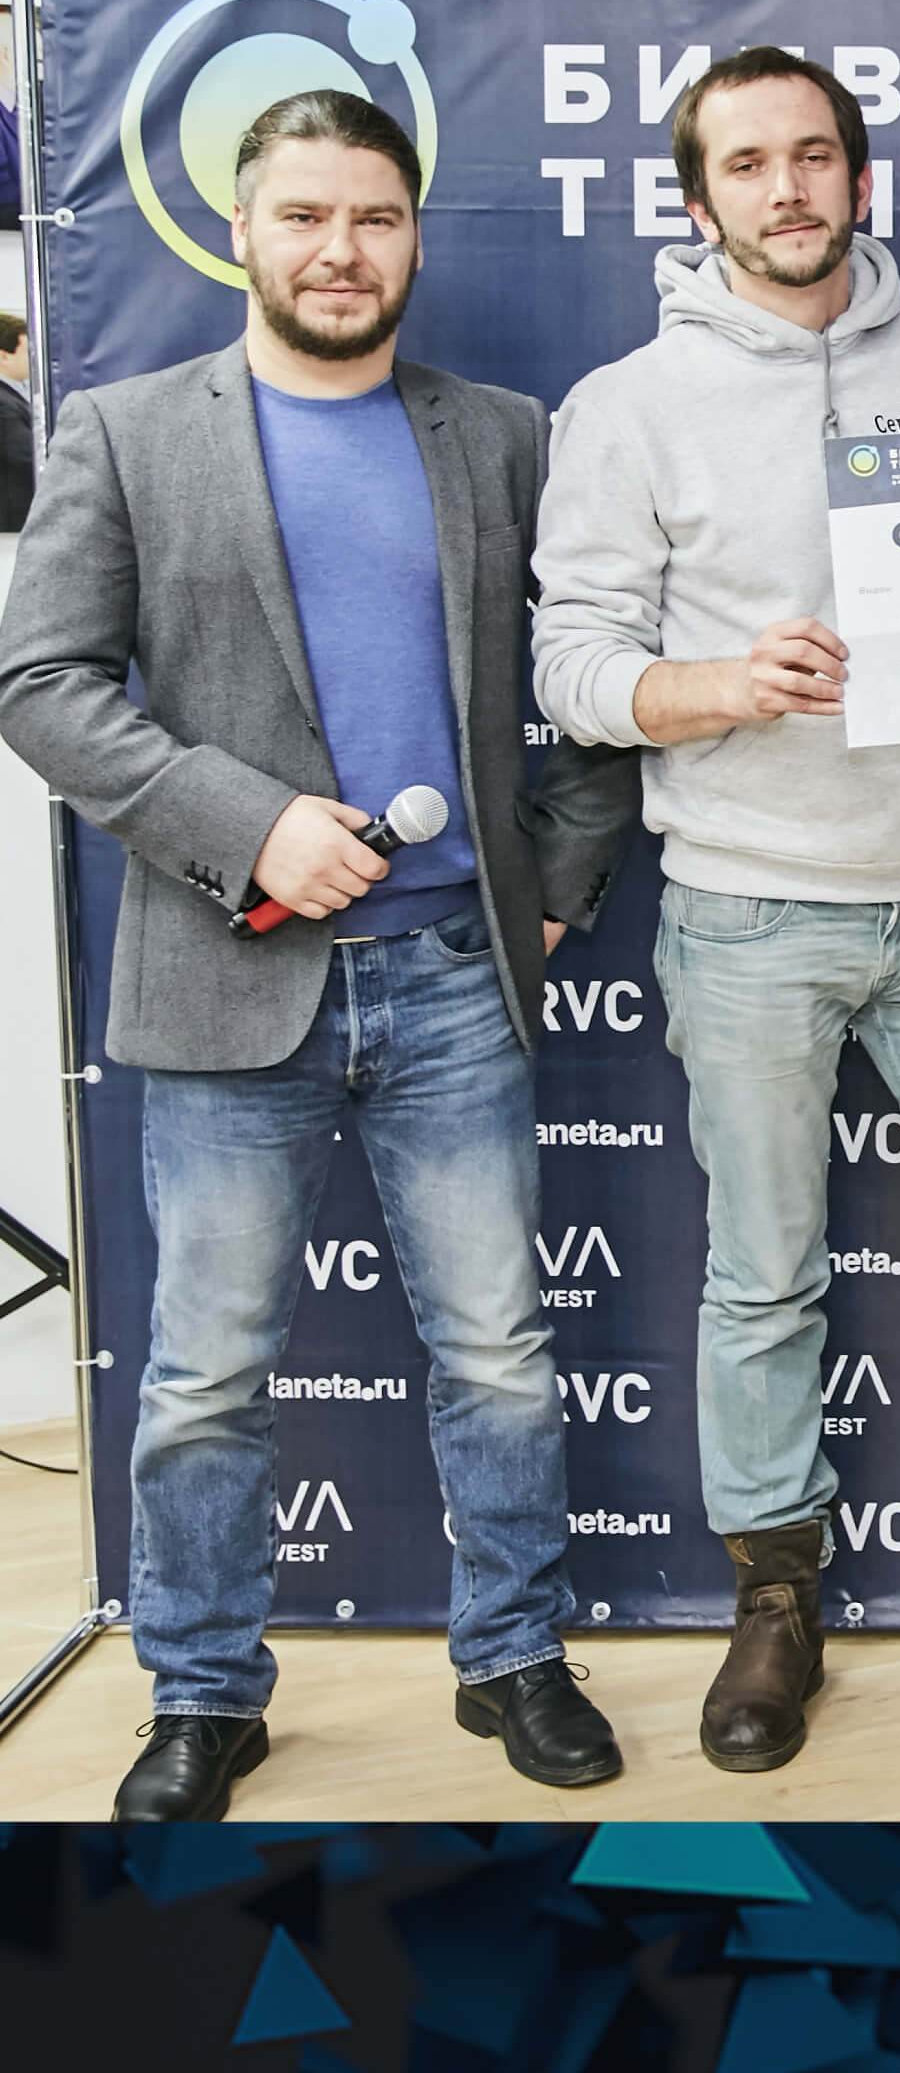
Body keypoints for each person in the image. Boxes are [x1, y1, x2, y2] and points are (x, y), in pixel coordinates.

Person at [0, 90, 641, 1818]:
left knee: (499, 1351)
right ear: (242, 230)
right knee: (204, 1375)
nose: (340, 249)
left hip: (458, 985)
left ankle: (516, 1656)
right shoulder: (124, 432)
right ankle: (202, 1692)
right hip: (227, 979)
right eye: (304, 215)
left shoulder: (502, 435)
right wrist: (249, 822)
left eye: (374, 216)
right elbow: (40, 684)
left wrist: (557, 879)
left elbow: (591, 672)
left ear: (415, 233)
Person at [529, 47, 900, 1772]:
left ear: (857, 177)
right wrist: (722, 682)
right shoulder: (630, 402)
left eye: (813, 156)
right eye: (747, 164)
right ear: (699, 201)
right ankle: (776, 1602)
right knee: (764, 1279)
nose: (786, 188)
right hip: (747, 912)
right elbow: (571, 667)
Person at [1, 311, 35, 530]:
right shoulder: (3, 403)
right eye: (26, 351)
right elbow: (25, 455)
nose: (32, 357)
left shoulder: (11, 396)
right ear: (4, 357)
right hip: (12, 519)